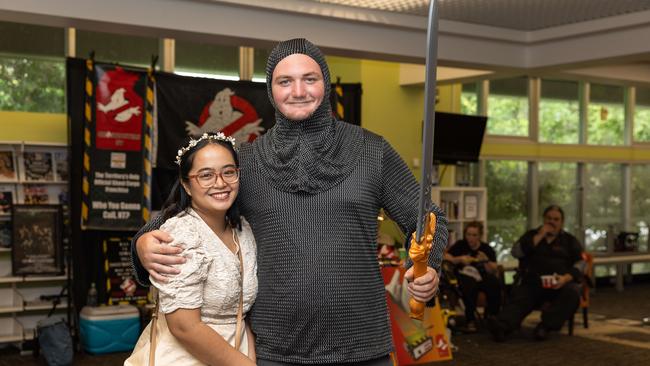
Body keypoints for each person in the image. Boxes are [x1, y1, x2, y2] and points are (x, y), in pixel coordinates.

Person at [131, 38, 447, 365]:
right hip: (275, 350)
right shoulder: (247, 162)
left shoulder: (371, 151)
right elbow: (187, 210)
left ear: (325, 84)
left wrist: (428, 267)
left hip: (362, 346)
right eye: (285, 81)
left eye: (309, 79)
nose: (298, 91)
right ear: (271, 90)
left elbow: (428, 219)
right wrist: (143, 244)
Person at [126, 133, 257, 365]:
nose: (220, 183)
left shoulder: (243, 229)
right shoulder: (181, 234)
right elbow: (184, 327)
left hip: (235, 350)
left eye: (228, 172)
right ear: (186, 184)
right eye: (206, 175)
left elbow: (241, 314)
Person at [487, 205, 583, 342]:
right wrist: (539, 235)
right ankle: (503, 326)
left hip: (559, 284)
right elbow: (516, 252)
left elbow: (580, 264)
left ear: (561, 222)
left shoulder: (569, 240)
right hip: (533, 282)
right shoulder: (532, 235)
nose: (552, 222)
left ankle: (545, 327)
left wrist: (565, 278)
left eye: (556, 219)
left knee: (572, 293)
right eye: (549, 218)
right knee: (521, 296)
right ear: (544, 219)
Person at [444, 221, 501, 332]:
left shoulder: (486, 249)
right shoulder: (461, 245)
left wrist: (486, 261)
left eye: (474, 235)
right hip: (464, 276)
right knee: (468, 283)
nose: (470, 238)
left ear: (480, 236)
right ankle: (470, 319)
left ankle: (491, 316)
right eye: (468, 235)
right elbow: (446, 256)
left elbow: (494, 268)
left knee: (494, 282)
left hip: (482, 276)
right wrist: (459, 259)